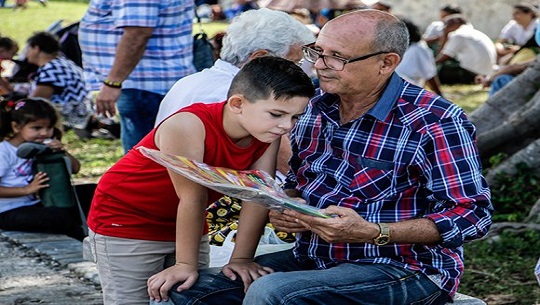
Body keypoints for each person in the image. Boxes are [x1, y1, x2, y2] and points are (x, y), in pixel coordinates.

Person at [166, 9, 493, 305]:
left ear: (387, 63)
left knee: (272, 293)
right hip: (316, 259)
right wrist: (287, 208)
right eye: (318, 52)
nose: (319, 64)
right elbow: (296, 183)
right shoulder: (311, 106)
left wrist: (374, 231)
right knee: (187, 290)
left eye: (337, 57)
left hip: (405, 268)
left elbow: (473, 215)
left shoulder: (434, 119)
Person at [85, 57, 314, 305]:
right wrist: (185, 263)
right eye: (277, 114)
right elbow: (193, 196)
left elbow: (258, 195)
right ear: (237, 103)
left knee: (187, 296)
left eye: (295, 117)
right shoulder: (188, 125)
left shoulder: (267, 134)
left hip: (186, 221)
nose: (286, 126)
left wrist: (241, 259)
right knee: (134, 300)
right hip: (127, 220)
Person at [155, 8, 314, 125]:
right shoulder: (240, 97)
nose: (297, 71)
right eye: (293, 63)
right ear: (260, 58)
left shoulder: (191, 81)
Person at [78, 0, 196, 153]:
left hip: (145, 85)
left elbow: (138, 34)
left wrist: (112, 82)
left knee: (144, 163)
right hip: (150, 83)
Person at [0, 97, 85, 241]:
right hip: (8, 210)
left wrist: (61, 152)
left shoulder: (43, 146)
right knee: (59, 217)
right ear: (16, 127)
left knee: (91, 193)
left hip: (38, 203)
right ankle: (83, 242)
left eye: (49, 127)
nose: (45, 133)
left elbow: (75, 169)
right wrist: (26, 190)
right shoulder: (4, 151)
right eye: (37, 128)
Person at [25, 32, 90, 128]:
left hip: (70, 118)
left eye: (28, 49)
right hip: (82, 111)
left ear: (36, 49)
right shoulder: (63, 62)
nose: (26, 53)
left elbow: (36, 102)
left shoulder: (51, 69)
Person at [435, 14, 496, 84]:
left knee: (440, 70)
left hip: (472, 73)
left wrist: (445, 36)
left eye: (447, 25)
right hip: (486, 72)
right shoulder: (474, 32)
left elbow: (444, 57)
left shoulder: (458, 35)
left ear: (456, 23)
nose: (445, 28)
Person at [396, 18, 443, 96]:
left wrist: (440, 95)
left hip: (407, 88)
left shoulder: (419, 48)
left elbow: (429, 75)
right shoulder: (400, 47)